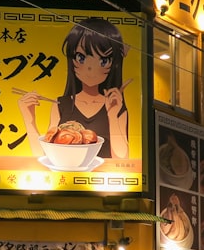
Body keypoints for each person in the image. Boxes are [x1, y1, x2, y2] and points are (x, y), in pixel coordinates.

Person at [18, 18, 130, 159]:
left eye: (103, 60)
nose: (90, 68)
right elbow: (44, 156)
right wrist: (29, 120)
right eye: (81, 57)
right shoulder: (60, 104)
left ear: (114, 64)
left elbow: (122, 159)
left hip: (102, 177)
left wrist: (113, 117)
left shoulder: (116, 106)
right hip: (63, 176)